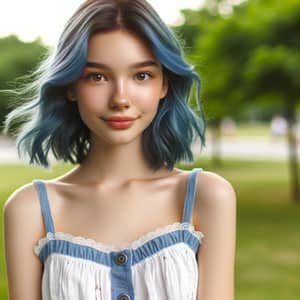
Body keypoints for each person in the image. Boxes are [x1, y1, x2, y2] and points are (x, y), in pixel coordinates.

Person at [3, 0, 236, 299]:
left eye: (141, 76)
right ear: (70, 86)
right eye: (97, 76)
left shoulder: (207, 196)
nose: (120, 98)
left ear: (164, 84)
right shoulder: (30, 209)